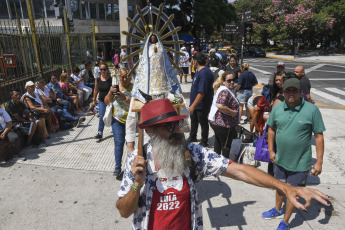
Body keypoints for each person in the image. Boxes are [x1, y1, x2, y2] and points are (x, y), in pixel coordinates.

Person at [116, 98, 330, 229]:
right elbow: (124, 212)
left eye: (177, 124)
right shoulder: (138, 162)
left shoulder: (192, 155)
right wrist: (137, 184)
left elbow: (239, 171)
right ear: (151, 132)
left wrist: (284, 187)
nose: (176, 131)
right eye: (167, 127)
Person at [263, 78, 326, 230]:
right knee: (279, 186)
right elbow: (271, 129)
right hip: (279, 159)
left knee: (293, 192)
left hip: (300, 162)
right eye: (287, 91)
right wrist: (271, 151)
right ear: (283, 92)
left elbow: (318, 136)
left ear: (301, 92)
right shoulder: (277, 108)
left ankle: (285, 221)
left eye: (294, 91)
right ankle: (277, 209)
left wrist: (319, 162)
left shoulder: (312, 110)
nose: (291, 94)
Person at [132, 33, 181, 103]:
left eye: (154, 38)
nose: (153, 40)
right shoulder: (147, 47)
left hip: (160, 67)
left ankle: (163, 93)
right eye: (151, 39)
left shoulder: (160, 46)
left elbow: (164, 57)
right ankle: (151, 93)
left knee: (161, 80)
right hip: (151, 68)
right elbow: (145, 59)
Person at [104, 68, 132, 175]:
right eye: (122, 77)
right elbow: (106, 101)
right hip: (117, 120)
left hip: (131, 120)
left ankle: (130, 165)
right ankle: (117, 166)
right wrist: (111, 92)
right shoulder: (115, 87)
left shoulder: (134, 87)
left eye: (127, 77)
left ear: (130, 78)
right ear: (119, 78)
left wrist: (123, 96)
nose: (124, 79)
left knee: (130, 144)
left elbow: (136, 103)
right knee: (119, 142)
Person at [208, 72, 239, 157]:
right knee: (225, 146)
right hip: (223, 124)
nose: (232, 82)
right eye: (229, 80)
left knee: (218, 142)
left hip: (217, 122)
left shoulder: (222, 89)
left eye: (233, 80)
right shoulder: (225, 91)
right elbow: (220, 105)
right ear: (223, 81)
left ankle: (216, 161)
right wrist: (232, 112)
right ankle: (224, 166)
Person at [187, 52, 214, 147]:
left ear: (195, 61)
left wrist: (193, 106)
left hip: (201, 104)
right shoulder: (199, 71)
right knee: (193, 120)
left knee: (203, 123)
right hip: (195, 103)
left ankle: (204, 141)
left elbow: (201, 92)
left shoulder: (204, 73)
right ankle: (193, 136)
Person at [90, 63, 112, 139]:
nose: (102, 71)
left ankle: (115, 129)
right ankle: (100, 132)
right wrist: (94, 100)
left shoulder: (111, 79)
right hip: (101, 100)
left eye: (104, 69)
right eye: (101, 69)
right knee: (102, 116)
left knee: (112, 115)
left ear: (107, 70)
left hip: (110, 100)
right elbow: (96, 90)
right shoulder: (98, 79)